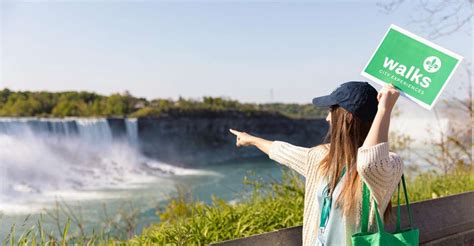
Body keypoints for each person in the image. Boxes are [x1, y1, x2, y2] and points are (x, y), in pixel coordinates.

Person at [229, 81, 404, 246]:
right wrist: (251, 140)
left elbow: (369, 163)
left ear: (348, 117)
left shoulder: (389, 164)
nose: (327, 118)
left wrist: (384, 110)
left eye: (330, 111)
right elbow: (284, 152)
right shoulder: (323, 157)